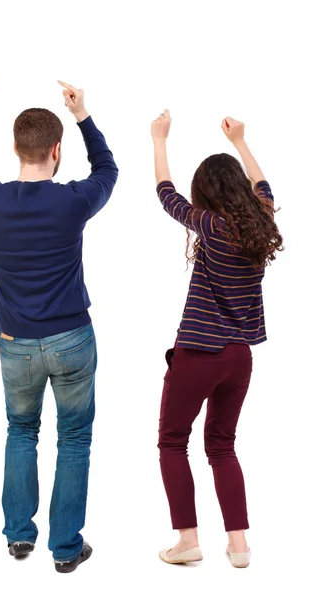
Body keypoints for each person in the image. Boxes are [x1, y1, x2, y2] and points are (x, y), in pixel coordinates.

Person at [0, 70, 118, 573]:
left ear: (17, 150)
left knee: (21, 430)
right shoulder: (74, 201)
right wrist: (82, 114)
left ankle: (19, 536)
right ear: (56, 150)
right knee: (74, 438)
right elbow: (108, 167)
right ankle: (65, 549)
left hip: (15, 342)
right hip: (73, 339)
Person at [151, 110, 283, 568]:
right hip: (239, 359)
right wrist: (242, 143)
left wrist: (159, 139)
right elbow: (264, 189)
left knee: (172, 441)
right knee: (223, 446)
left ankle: (187, 540)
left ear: (205, 194)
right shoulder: (260, 224)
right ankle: (239, 545)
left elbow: (165, 195)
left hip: (199, 353)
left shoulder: (210, 224)